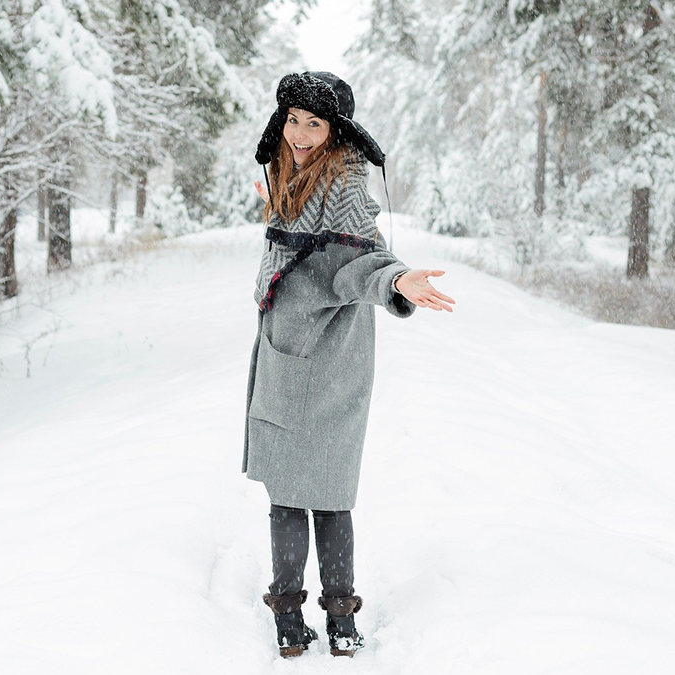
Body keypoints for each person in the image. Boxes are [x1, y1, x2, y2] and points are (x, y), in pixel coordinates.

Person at [242, 71, 455, 658]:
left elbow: (364, 259)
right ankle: (295, 618)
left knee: (328, 494)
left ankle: (336, 617)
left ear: (336, 131)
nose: (302, 133)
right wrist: (275, 209)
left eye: (315, 123)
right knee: (290, 495)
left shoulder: (344, 184)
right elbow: (298, 242)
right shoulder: (289, 176)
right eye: (293, 120)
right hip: (288, 352)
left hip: (331, 359)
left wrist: (398, 280)